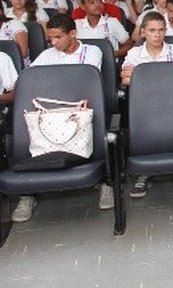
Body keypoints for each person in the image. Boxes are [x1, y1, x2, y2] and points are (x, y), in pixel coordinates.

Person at [14, 15, 108, 223]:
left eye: (58, 37)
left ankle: (106, 182)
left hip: (79, 111)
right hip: (51, 113)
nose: (53, 42)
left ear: (73, 34)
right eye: (50, 38)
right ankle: (28, 193)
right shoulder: (47, 55)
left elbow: (86, 83)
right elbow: (28, 81)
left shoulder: (92, 52)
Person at [120, 12, 173, 197]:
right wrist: (162, 77)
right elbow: (126, 79)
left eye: (161, 30)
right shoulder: (134, 52)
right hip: (145, 105)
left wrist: (141, 76)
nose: (157, 35)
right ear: (143, 32)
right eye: (152, 30)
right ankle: (144, 173)